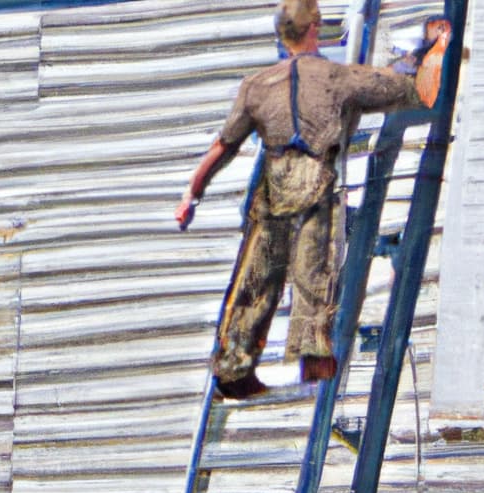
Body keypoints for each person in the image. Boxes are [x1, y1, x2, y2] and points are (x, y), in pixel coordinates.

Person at [174, 0, 447, 398]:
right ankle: (314, 362)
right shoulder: (338, 77)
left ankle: (234, 370)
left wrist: (191, 195)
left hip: (273, 185)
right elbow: (410, 90)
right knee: (314, 276)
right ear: (315, 28)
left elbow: (223, 146)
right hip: (316, 180)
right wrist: (433, 49)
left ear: (281, 35)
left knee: (256, 280)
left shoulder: (256, 85)